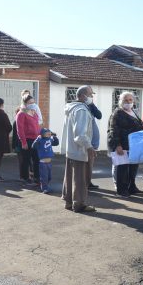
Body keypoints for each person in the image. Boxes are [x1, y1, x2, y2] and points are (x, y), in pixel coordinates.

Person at [61, 85, 96, 213]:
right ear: (83, 96)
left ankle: (69, 202)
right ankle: (79, 204)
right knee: (81, 179)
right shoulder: (81, 110)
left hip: (71, 150)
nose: (92, 97)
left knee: (70, 177)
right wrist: (89, 147)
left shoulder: (72, 108)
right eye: (91, 94)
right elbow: (80, 134)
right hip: (80, 150)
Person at [108, 91, 143, 199]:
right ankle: (122, 190)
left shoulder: (133, 111)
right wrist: (118, 145)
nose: (128, 102)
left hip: (134, 146)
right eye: (125, 100)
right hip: (123, 145)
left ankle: (131, 187)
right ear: (120, 101)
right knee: (122, 168)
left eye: (130, 100)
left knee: (133, 167)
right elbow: (113, 130)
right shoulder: (117, 113)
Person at [16, 94, 41, 186]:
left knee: (36, 160)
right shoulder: (21, 113)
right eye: (30, 103)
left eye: (33, 102)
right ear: (25, 103)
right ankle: (24, 178)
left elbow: (37, 125)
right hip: (27, 140)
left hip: (36, 140)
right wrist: (23, 142)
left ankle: (37, 178)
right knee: (26, 160)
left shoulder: (34, 112)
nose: (32, 104)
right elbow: (20, 129)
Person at [33, 128, 59, 193]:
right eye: (46, 132)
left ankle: (46, 186)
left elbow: (56, 143)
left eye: (49, 132)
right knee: (44, 176)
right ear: (42, 134)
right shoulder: (40, 140)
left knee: (49, 177)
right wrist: (37, 139)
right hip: (43, 163)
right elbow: (33, 146)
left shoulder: (50, 139)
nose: (48, 133)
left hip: (49, 163)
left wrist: (55, 137)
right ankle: (44, 189)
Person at [87, 99, 102, 189]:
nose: (91, 97)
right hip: (87, 142)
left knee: (90, 164)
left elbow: (99, 115)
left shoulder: (90, 106)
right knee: (85, 164)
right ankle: (85, 183)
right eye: (90, 95)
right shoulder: (81, 108)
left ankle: (88, 181)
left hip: (92, 143)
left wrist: (92, 104)